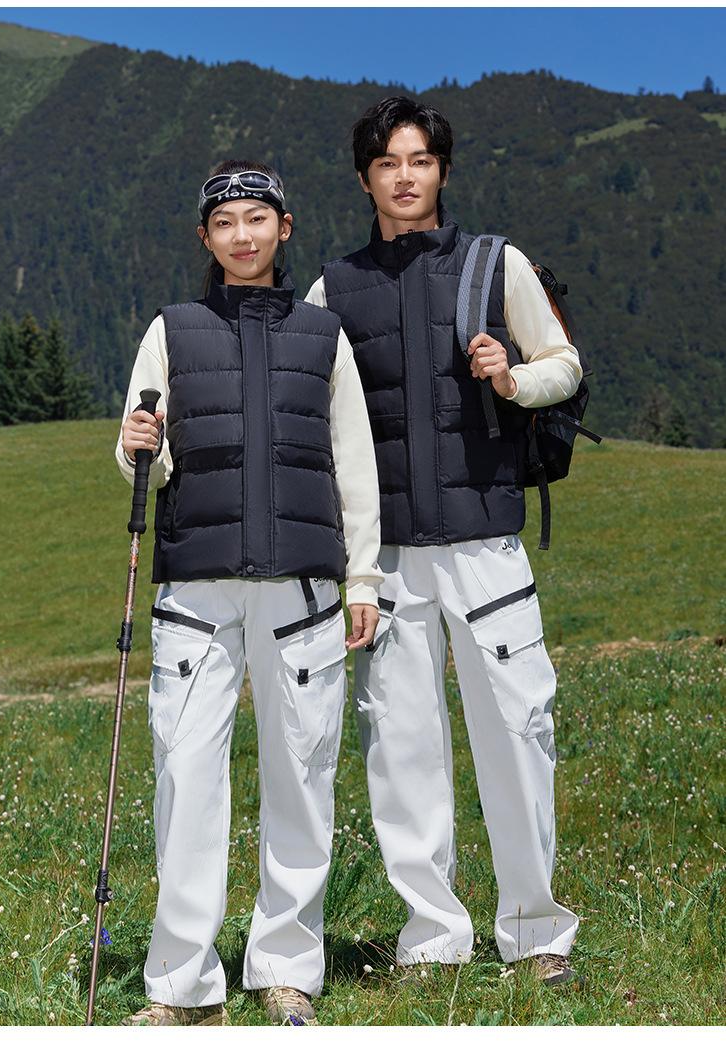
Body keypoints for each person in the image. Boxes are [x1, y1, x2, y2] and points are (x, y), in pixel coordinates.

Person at [306, 97, 582, 986]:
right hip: (385, 558)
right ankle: (432, 939)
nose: (405, 176)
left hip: (485, 544)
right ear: (365, 178)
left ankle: (535, 934)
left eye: (419, 159)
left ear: (443, 170)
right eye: (388, 162)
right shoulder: (332, 290)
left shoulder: (496, 263)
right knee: (401, 748)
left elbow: (565, 363)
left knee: (518, 730)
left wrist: (515, 377)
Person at [115, 160, 383, 1025]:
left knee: (301, 772)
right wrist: (136, 443)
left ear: (283, 227)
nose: (242, 235)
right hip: (196, 589)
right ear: (206, 237)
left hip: (301, 586)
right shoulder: (172, 330)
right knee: (186, 775)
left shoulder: (324, 335)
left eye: (256, 218)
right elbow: (139, 453)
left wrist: (364, 578)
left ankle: (287, 967)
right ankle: (181, 984)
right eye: (224, 222)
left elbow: (355, 467)